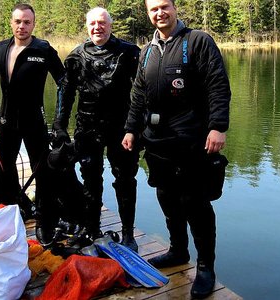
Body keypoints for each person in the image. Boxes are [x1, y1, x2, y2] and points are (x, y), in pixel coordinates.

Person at [121, 0, 231, 298]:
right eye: (153, 8)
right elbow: (138, 95)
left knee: (196, 204)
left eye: (164, 6)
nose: (160, 13)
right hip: (157, 142)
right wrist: (131, 129)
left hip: (193, 140)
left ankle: (206, 268)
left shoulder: (198, 41)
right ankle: (178, 251)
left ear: (174, 7)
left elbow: (218, 84)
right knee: (167, 198)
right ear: (148, 13)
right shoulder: (146, 51)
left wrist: (218, 126)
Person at [52, 7, 141, 251]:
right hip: (87, 127)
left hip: (121, 128)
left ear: (111, 26)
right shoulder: (76, 56)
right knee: (91, 180)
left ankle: (128, 233)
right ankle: (91, 228)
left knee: (125, 180)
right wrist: (60, 124)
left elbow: (143, 91)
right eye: (93, 23)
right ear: (87, 26)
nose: (97, 27)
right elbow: (65, 92)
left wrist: (139, 126)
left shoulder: (129, 53)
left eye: (102, 23)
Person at [0, 3, 67, 241]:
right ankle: (8, 222)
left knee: (43, 174)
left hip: (35, 123)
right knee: (4, 173)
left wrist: (61, 119)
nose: (22, 26)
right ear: (11, 23)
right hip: (7, 123)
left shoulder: (43, 49)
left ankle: (45, 224)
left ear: (33, 24)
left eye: (27, 22)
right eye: (18, 21)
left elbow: (64, 83)